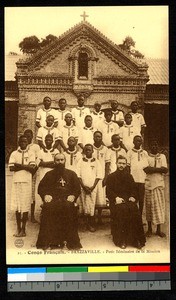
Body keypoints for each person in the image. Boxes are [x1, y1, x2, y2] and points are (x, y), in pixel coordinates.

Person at [36, 153, 82, 250]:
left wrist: (73, 195)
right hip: (53, 199)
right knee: (48, 208)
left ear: (65, 161)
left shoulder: (71, 174)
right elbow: (41, 188)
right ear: (54, 161)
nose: (60, 162)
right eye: (57, 160)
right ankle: (47, 242)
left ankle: (72, 242)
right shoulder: (49, 174)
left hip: (67, 200)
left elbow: (77, 188)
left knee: (69, 208)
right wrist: (45, 195)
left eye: (62, 160)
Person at [106, 155, 146, 249]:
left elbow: (134, 189)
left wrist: (133, 196)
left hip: (128, 200)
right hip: (116, 201)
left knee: (134, 210)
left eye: (123, 163)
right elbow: (109, 191)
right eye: (119, 163)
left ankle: (135, 240)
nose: (121, 165)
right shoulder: (111, 177)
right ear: (116, 163)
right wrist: (116, 198)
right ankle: (121, 240)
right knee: (121, 210)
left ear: (126, 165)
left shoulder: (129, 176)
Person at [8, 135, 36, 237]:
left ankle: (23, 229)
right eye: (22, 141)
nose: (23, 143)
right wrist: (26, 166)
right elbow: (11, 168)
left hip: (27, 182)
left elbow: (32, 168)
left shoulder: (31, 153)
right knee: (17, 206)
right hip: (16, 182)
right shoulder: (14, 153)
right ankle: (18, 228)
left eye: (25, 141)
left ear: (28, 142)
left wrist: (18, 165)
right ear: (19, 142)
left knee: (25, 206)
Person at [144, 140, 168, 238]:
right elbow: (146, 169)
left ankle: (158, 229)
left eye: (156, 145)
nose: (154, 147)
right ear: (149, 147)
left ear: (158, 146)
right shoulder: (146, 156)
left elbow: (165, 169)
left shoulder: (162, 156)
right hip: (149, 185)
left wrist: (153, 170)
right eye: (152, 145)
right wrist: (159, 169)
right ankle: (149, 229)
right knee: (149, 207)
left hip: (159, 184)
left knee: (159, 208)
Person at [76, 144, 103, 232]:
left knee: (91, 204)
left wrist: (92, 187)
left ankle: (91, 223)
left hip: (93, 187)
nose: (88, 151)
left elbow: (99, 175)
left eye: (89, 150)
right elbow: (78, 175)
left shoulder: (96, 161)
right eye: (86, 150)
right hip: (83, 187)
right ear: (84, 151)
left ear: (92, 151)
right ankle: (85, 223)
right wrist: (83, 186)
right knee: (84, 204)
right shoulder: (80, 161)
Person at [127, 135, 149, 215]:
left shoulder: (145, 153)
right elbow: (128, 167)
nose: (138, 142)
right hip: (133, 179)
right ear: (133, 142)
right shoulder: (129, 152)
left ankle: (140, 216)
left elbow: (146, 167)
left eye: (139, 141)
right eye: (136, 140)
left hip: (142, 179)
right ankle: (133, 216)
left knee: (141, 199)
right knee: (133, 198)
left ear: (141, 142)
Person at [93, 131, 110, 224]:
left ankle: (99, 217)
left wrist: (106, 177)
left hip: (102, 175)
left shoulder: (105, 149)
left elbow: (107, 164)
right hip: (92, 175)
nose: (98, 138)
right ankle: (92, 217)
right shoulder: (90, 148)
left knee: (100, 196)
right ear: (93, 137)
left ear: (101, 138)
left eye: (99, 137)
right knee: (93, 196)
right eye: (96, 137)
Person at [24, 129, 40, 223]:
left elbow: (37, 160)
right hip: (25, 172)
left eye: (29, 136)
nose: (27, 137)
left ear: (32, 136)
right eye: (26, 136)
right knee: (25, 193)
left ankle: (32, 215)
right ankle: (24, 213)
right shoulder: (22, 146)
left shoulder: (36, 147)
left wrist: (33, 171)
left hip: (33, 172)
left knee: (32, 194)